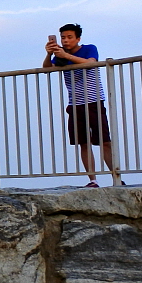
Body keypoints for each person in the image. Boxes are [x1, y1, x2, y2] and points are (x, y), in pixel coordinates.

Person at [43, 23, 118, 187]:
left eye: (70, 37)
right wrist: (49, 55)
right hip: (75, 104)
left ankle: (116, 178)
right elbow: (47, 69)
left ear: (78, 38)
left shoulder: (89, 48)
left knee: (105, 141)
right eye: (63, 37)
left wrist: (67, 56)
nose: (66, 40)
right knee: (84, 143)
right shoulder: (60, 55)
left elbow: (90, 63)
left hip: (94, 101)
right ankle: (93, 180)